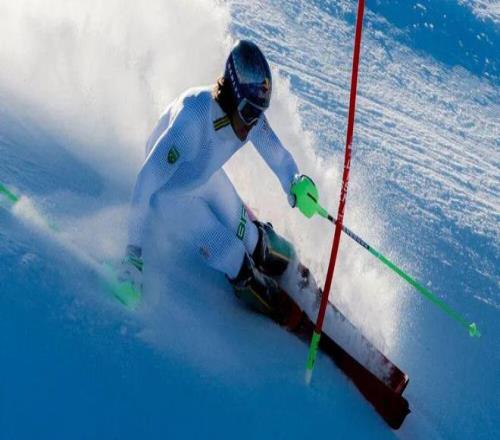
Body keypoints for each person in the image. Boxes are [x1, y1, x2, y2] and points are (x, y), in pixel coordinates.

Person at [119, 39, 319, 317]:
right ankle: (275, 306)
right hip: (171, 198)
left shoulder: (249, 117)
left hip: (206, 179)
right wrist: (133, 255)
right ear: (232, 96)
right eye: (249, 112)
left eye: (259, 113)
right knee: (234, 257)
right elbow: (146, 182)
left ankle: (289, 268)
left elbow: (279, 157)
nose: (253, 123)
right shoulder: (193, 120)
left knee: (255, 242)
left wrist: (295, 181)